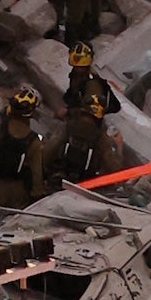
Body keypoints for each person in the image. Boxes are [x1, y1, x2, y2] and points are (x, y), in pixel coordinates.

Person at [42, 50, 114, 194]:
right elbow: (111, 166)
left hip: (59, 177)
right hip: (85, 184)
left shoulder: (69, 128)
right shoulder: (100, 137)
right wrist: (117, 147)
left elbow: (49, 151)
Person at [0, 91, 44, 219]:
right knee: (16, 225)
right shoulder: (34, 141)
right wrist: (37, 195)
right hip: (20, 191)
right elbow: (37, 173)